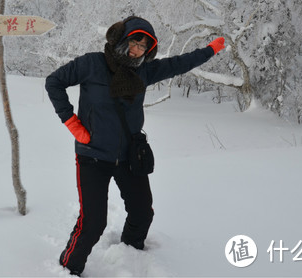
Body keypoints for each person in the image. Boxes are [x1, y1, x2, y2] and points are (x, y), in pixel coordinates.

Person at [45, 16, 225, 276]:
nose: (137, 50)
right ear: (122, 39)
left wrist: (209, 50)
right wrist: (71, 122)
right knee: (93, 223)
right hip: (92, 155)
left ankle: (129, 255)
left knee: (143, 213)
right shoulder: (92, 64)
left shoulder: (144, 71)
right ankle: (69, 268)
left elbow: (179, 64)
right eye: (134, 42)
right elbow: (54, 82)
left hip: (128, 155)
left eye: (144, 47)